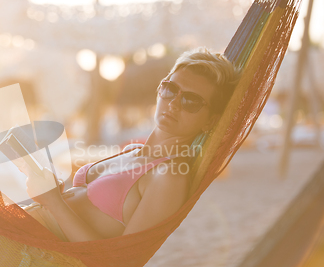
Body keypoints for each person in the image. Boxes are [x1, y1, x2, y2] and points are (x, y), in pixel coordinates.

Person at [20, 47, 241, 242]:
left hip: (24, 251)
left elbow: (115, 266)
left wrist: (53, 202)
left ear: (211, 121)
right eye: (170, 89)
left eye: (191, 101)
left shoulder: (170, 176)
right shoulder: (132, 151)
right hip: (20, 224)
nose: (173, 104)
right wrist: (54, 194)